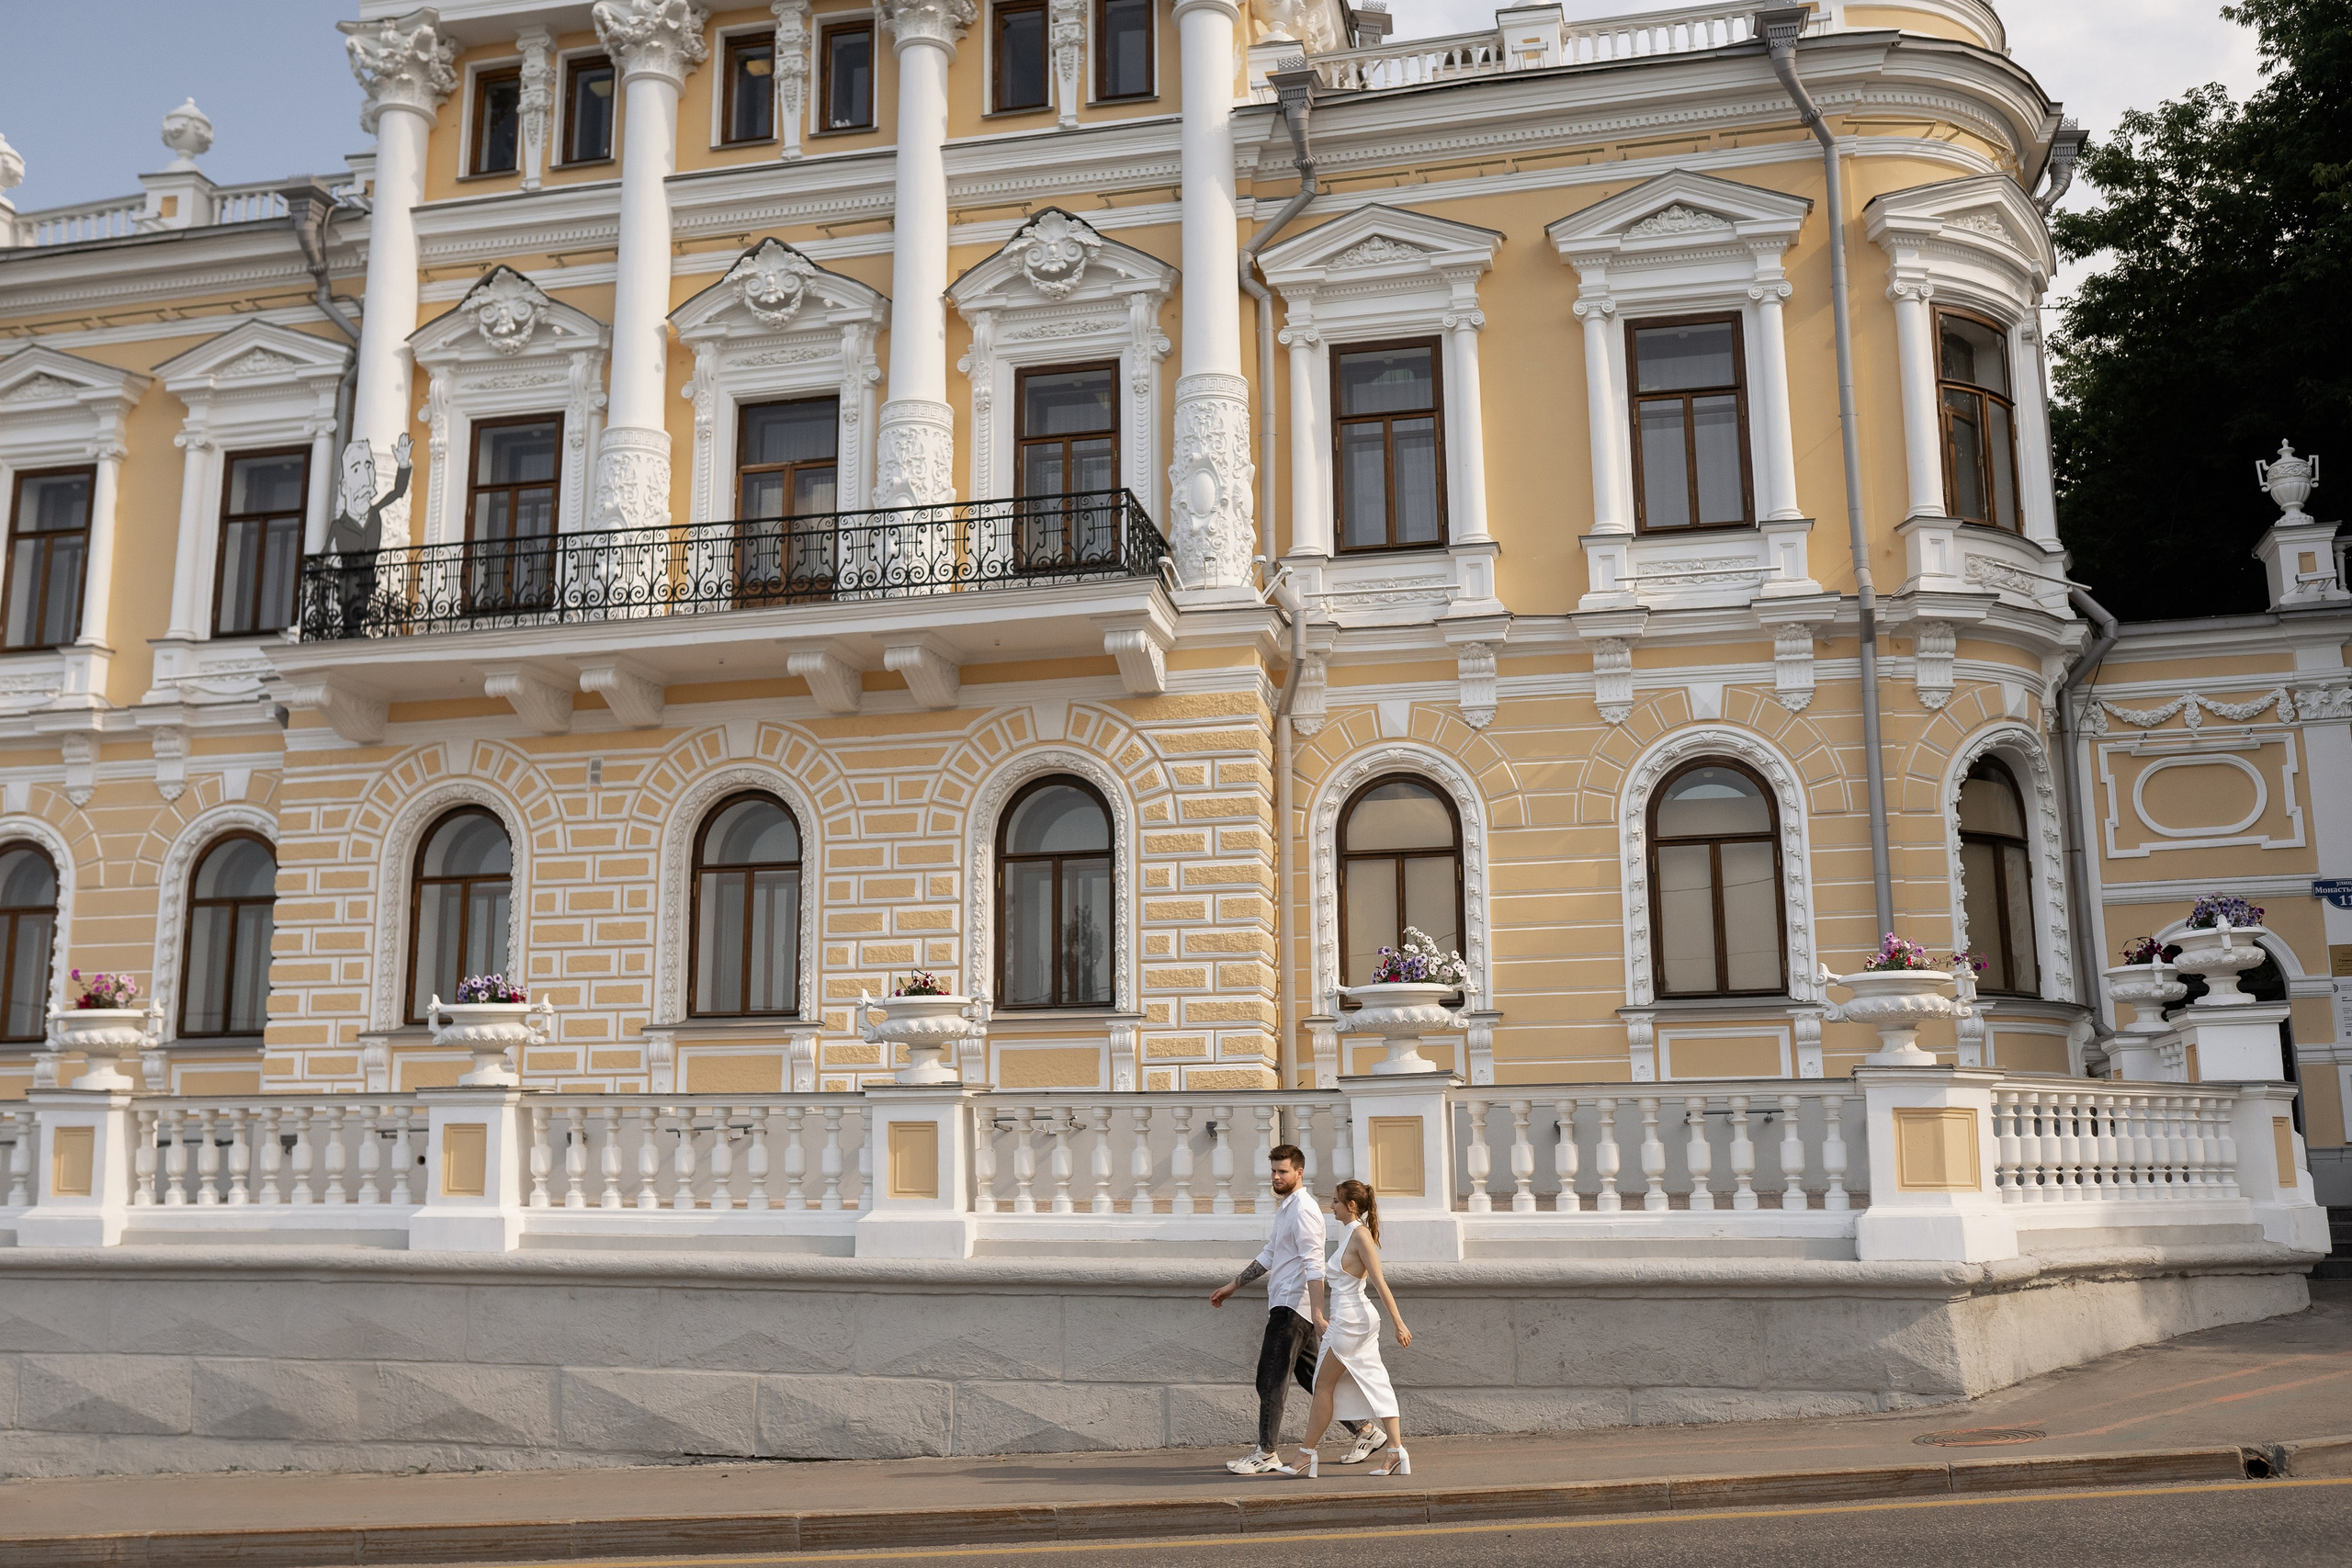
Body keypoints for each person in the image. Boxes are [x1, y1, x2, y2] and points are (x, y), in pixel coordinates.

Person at [1206, 1145, 1379, 1474]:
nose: (1276, 1176)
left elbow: (1315, 1266)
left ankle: (1267, 1452)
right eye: (1273, 1170)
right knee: (1315, 1378)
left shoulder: (1304, 1210)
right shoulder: (1288, 1207)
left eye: (1283, 1171)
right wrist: (1233, 1285)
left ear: (1299, 1173)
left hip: (1292, 1307)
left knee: (1270, 1379)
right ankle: (1366, 1431)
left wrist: (1317, 1315)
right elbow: (1272, 1253)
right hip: (1288, 1303)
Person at [1288, 1179, 1412, 1479]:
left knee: (1324, 1386)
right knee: (1375, 1381)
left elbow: (1379, 1282)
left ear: (1351, 1206)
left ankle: (1306, 1455)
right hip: (1350, 1319)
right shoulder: (1350, 1234)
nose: (1330, 1206)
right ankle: (1395, 1451)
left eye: (1335, 1201)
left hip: (1352, 1322)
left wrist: (1399, 1323)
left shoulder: (1360, 1236)